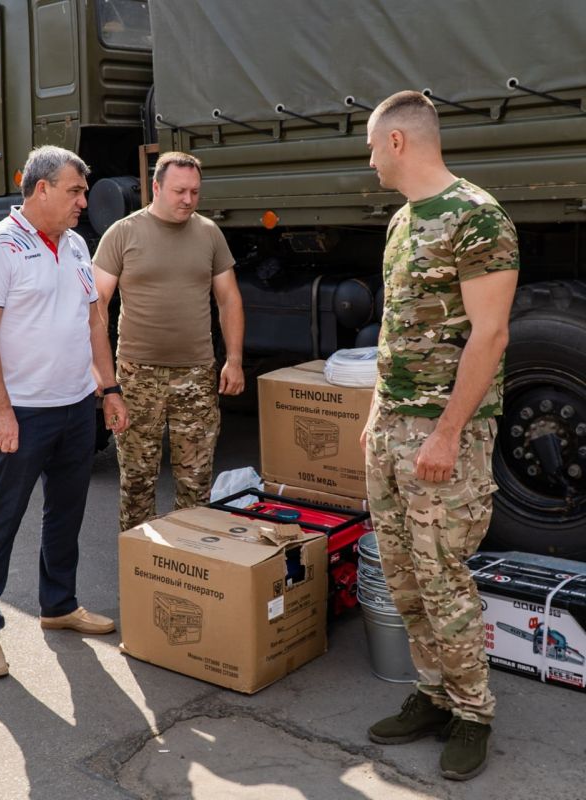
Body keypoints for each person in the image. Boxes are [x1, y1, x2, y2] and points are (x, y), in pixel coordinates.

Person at [360, 92, 519, 780]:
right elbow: (395, 330)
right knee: (403, 576)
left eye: (372, 147)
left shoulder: (478, 217)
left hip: (443, 434)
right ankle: (432, 696)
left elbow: (491, 335)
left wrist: (448, 434)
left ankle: (473, 714)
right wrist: (374, 416)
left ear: (397, 141)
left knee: (443, 576)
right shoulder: (402, 220)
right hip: (391, 429)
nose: (370, 160)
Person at [0, 145, 129, 679]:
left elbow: (94, 322)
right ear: (42, 189)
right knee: (1, 521)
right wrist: (1, 412)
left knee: (66, 513)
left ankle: (58, 605)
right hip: (24, 413)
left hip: (76, 407)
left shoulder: (77, 244)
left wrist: (108, 389)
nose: (84, 201)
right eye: (75, 191)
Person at [93, 151, 245, 531]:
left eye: (195, 192)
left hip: (196, 375)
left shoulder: (209, 233)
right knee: (137, 483)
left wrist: (235, 360)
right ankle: (140, 560)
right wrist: (102, 374)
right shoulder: (123, 233)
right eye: (180, 191)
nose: (188, 200)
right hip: (137, 376)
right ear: (156, 188)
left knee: (196, 484)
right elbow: (97, 304)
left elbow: (229, 299)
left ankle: (187, 559)